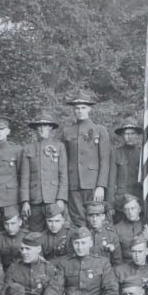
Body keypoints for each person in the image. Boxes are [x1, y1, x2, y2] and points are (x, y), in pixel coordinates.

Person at [58, 92, 112, 226]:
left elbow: (105, 161)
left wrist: (101, 185)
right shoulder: (67, 132)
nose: (79, 111)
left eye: (83, 107)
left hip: (93, 184)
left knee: (96, 219)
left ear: (89, 108)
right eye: (76, 108)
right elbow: (62, 162)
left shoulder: (100, 130)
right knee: (78, 220)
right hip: (73, 184)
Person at [22, 110, 69, 232]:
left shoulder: (59, 147)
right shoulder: (28, 148)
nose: (42, 129)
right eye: (39, 126)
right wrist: (25, 201)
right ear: (36, 129)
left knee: (55, 232)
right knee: (35, 233)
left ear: (51, 128)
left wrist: (61, 199)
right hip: (35, 199)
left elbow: (63, 175)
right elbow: (25, 177)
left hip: (53, 198)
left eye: (45, 125)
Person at [58, 227, 119, 295]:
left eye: (83, 243)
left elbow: (112, 290)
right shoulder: (65, 263)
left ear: (90, 243)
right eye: (76, 243)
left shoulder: (102, 263)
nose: (79, 247)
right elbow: (55, 287)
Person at [109, 118, 143, 211]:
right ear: (122, 136)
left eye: (133, 134)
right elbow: (111, 180)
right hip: (121, 199)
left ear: (137, 135)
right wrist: (110, 203)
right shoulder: (116, 153)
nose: (130, 137)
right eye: (127, 134)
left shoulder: (143, 153)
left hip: (140, 198)